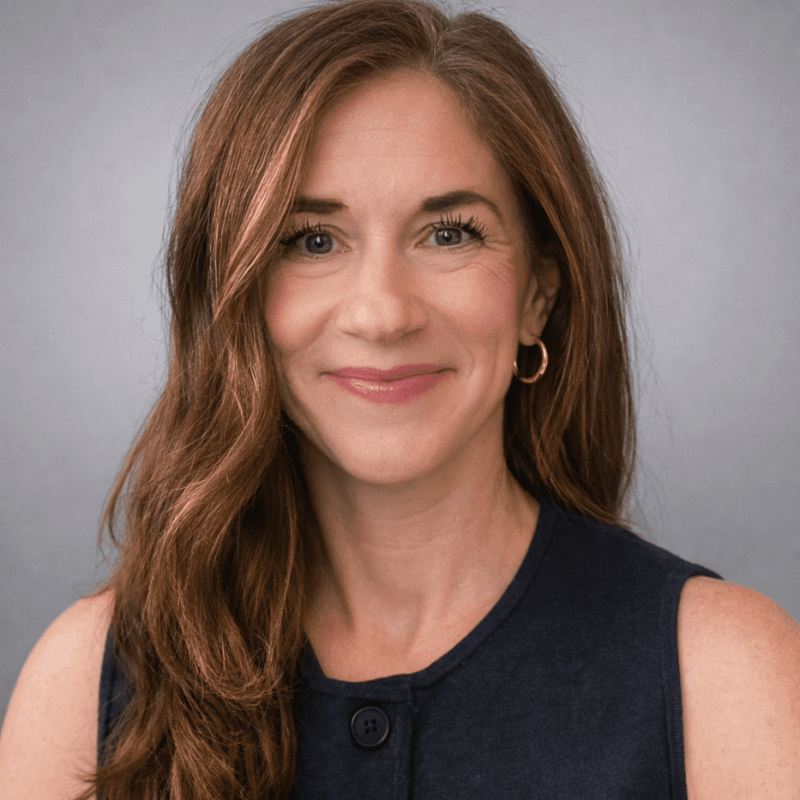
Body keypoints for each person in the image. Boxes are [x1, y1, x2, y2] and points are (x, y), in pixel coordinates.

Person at [1, 0, 799, 797]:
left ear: (539, 296)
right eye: (313, 240)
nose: (382, 314)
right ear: (234, 294)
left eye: (448, 233)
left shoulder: (723, 675)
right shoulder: (88, 680)